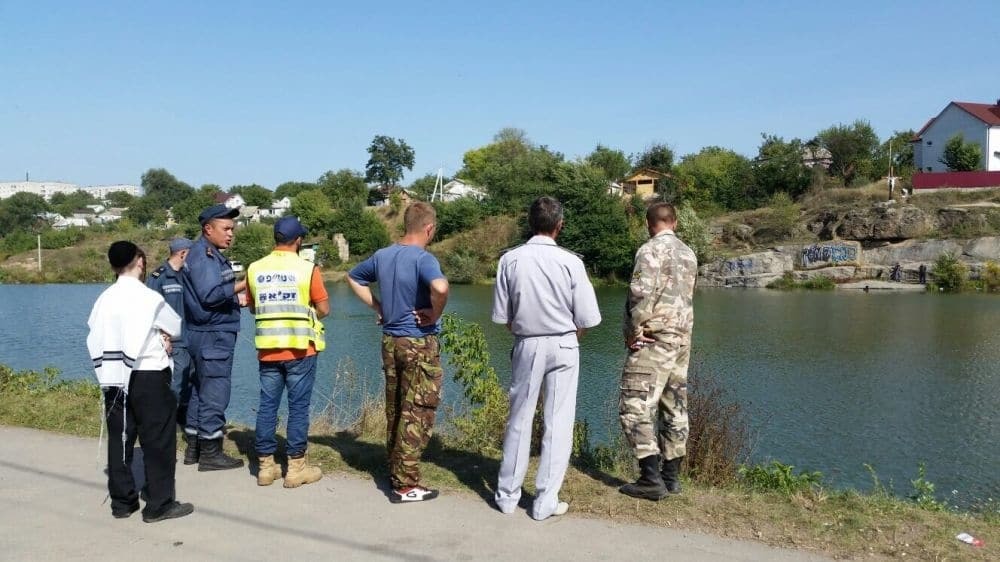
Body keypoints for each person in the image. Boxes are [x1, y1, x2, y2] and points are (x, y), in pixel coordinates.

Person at [491, 196, 602, 521]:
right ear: (560, 225)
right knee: (558, 422)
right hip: (564, 344)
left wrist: (529, 332)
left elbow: (504, 317)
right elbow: (587, 318)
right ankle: (544, 502)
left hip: (526, 342)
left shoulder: (510, 260)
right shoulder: (571, 262)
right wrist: (566, 337)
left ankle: (507, 496)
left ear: (530, 223)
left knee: (519, 419)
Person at [347, 202, 449, 503]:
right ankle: (406, 485)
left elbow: (353, 277)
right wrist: (434, 311)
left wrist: (378, 306)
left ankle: (394, 467)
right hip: (418, 342)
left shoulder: (383, 255)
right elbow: (441, 288)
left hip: (390, 341)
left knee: (395, 407)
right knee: (417, 411)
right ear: (428, 228)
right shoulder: (422, 258)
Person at [86, 241, 194, 522]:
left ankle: (122, 503)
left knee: (121, 438)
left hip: (113, 376)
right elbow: (176, 327)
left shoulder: (103, 299)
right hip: (147, 372)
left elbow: (93, 333)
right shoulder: (148, 298)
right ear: (140, 262)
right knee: (157, 439)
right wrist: (162, 334)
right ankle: (159, 503)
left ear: (112, 266)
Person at [618, 202, 698, 500]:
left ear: (648, 223)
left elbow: (640, 294)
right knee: (674, 404)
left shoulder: (649, 251)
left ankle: (650, 479)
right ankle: (671, 477)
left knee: (635, 404)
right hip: (681, 340)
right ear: (675, 223)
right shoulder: (689, 254)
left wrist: (632, 332)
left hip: (654, 339)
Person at [247, 216, 329, 488]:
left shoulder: (254, 268)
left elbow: (251, 306)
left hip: (268, 351)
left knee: (267, 407)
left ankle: (266, 468)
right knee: (298, 409)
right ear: (298, 240)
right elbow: (324, 309)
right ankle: (295, 469)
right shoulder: (307, 269)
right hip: (300, 350)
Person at [181, 204, 246, 471]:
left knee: (199, 390)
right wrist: (246, 281)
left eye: (233, 229)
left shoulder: (206, 254)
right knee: (215, 392)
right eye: (226, 229)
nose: (231, 234)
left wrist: (235, 299)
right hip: (213, 336)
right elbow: (210, 295)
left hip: (202, 333)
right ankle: (211, 453)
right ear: (208, 229)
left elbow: (210, 294)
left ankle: (194, 447)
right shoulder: (204, 256)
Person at [146, 237, 195, 439]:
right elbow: (150, 310)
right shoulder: (159, 276)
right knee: (177, 381)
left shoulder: (188, 275)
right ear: (183, 253)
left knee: (191, 380)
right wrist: (161, 335)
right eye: (191, 254)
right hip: (173, 340)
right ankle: (168, 419)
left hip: (192, 337)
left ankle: (185, 418)